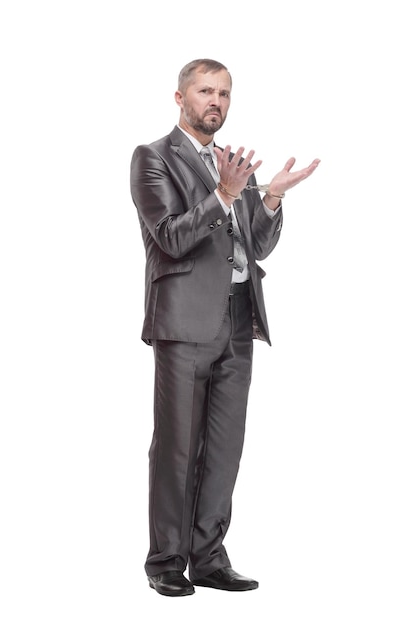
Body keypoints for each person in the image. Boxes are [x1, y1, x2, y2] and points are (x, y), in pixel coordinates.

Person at [130, 58, 320, 597]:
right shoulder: (152, 158)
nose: (217, 102)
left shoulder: (237, 163)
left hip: (238, 318)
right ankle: (165, 559)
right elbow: (168, 237)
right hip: (184, 322)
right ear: (180, 98)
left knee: (224, 446)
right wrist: (225, 196)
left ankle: (209, 557)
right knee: (176, 446)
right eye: (206, 91)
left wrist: (272, 197)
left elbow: (255, 246)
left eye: (225, 94)